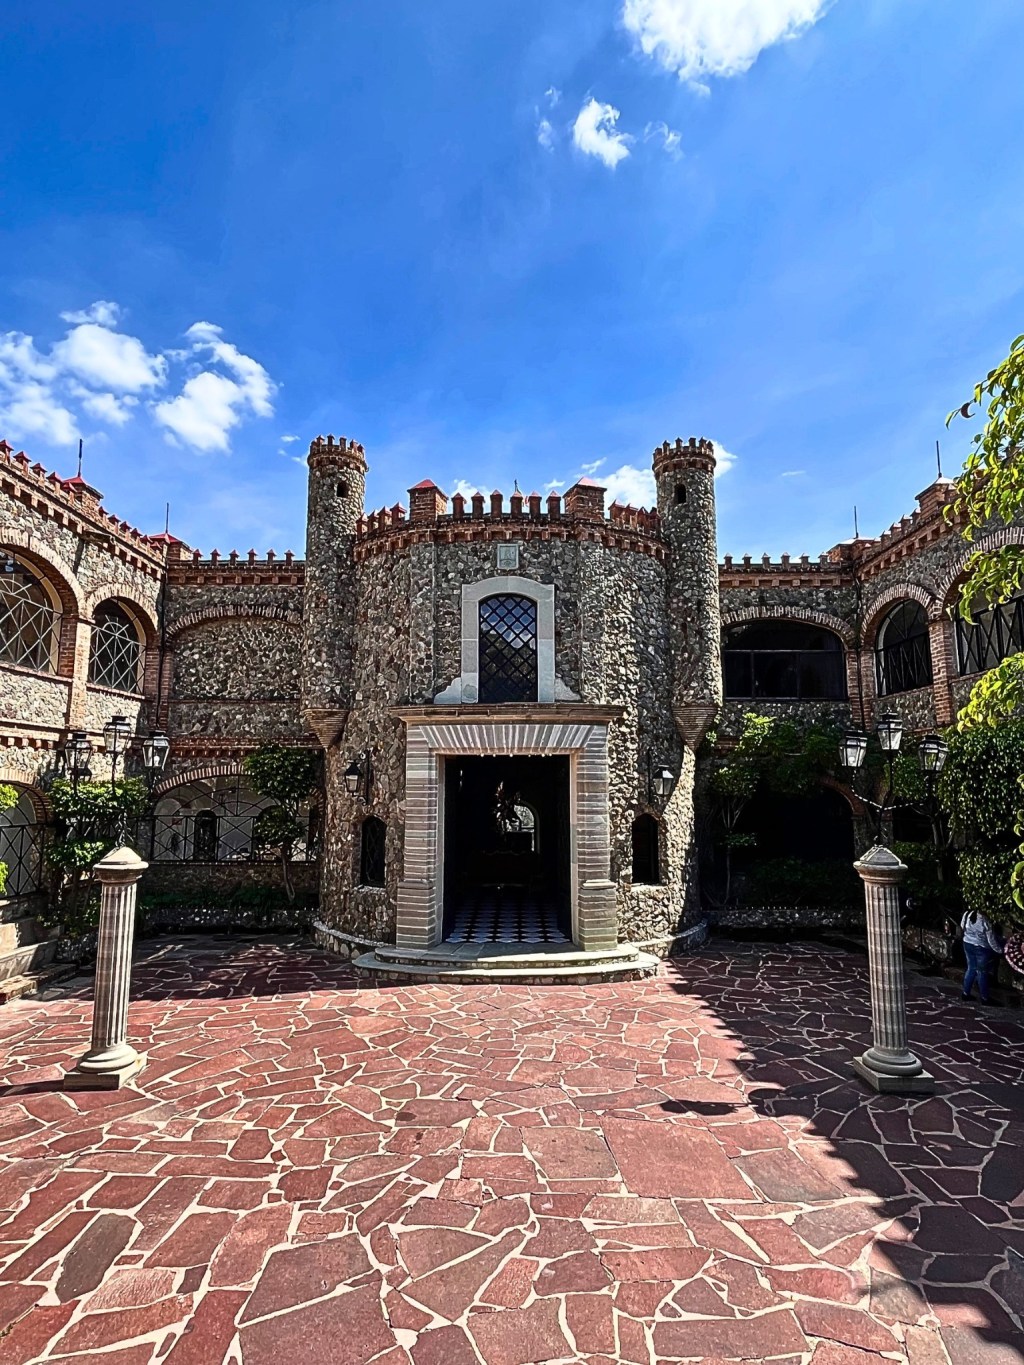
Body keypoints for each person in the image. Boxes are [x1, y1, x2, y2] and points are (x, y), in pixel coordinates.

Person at [961, 909, 1004, 1004]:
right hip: (981, 947)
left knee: (971, 968)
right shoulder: (985, 921)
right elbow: (991, 940)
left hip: (967, 943)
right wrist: (1000, 951)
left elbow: (962, 926)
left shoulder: (968, 913)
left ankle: (965, 993)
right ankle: (985, 998)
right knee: (982, 972)